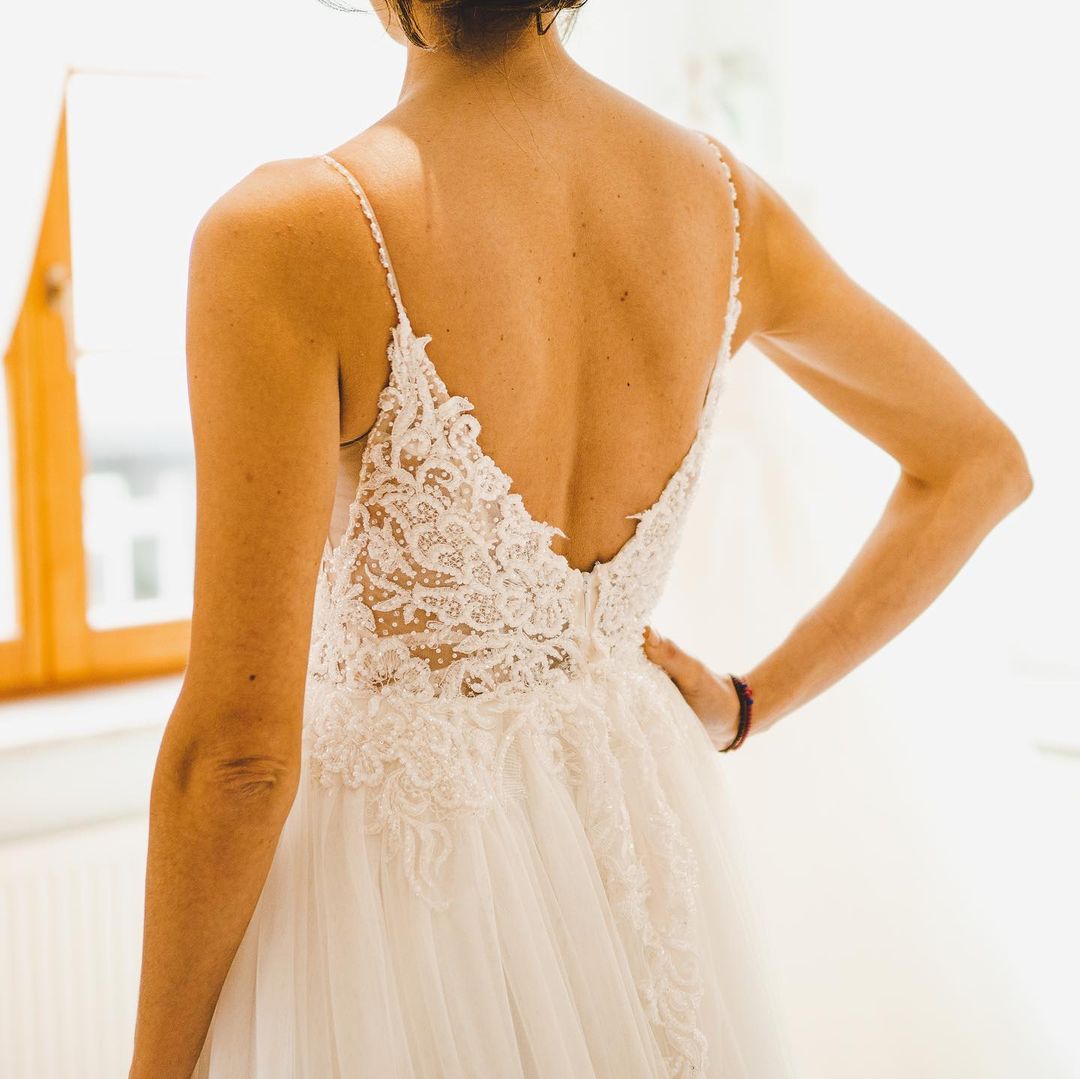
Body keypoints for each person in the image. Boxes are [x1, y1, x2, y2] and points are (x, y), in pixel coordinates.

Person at [127, 2, 1033, 1076]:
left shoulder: (288, 233)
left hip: (406, 901)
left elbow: (238, 753)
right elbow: (980, 463)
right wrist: (749, 702)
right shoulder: (724, 205)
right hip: (635, 848)